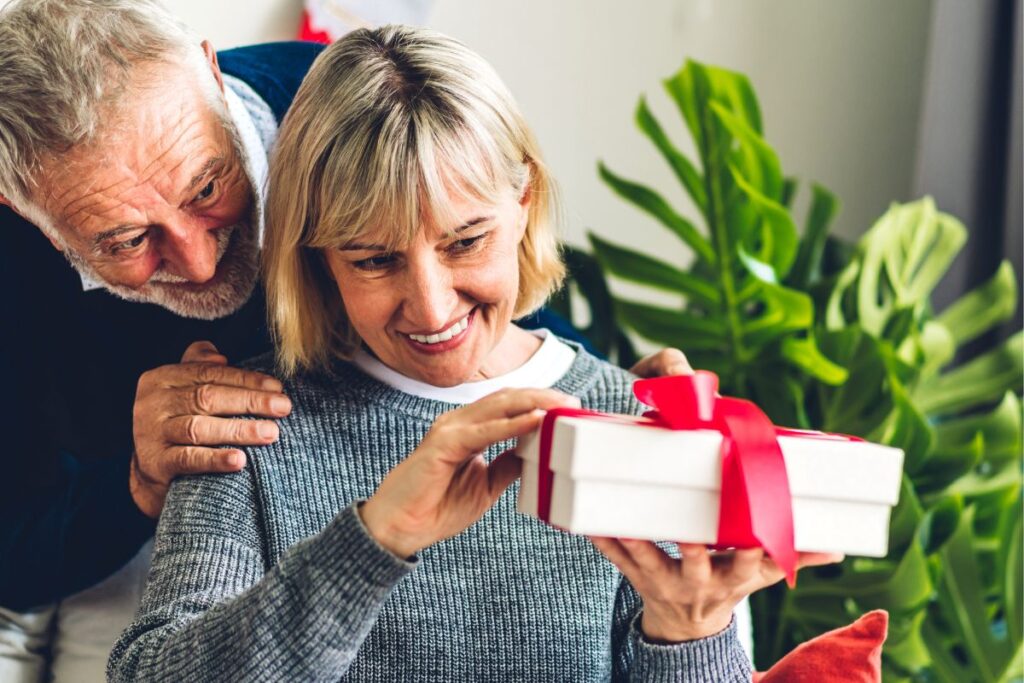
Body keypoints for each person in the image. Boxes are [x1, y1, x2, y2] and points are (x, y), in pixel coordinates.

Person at [108, 25, 838, 682]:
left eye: (465, 242)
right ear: (318, 257)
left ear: (525, 197)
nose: (430, 307)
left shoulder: (630, 424)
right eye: (372, 260)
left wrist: (690, 633)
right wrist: (373, 538)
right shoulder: (244, 426)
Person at [0, 2, 686, 679]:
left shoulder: (348, 102)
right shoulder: (20, 274)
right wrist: (139, 479)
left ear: (210, 76)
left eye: (207, 186)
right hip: (133, 546)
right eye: (125, 241)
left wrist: (608, 391)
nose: (200, 263)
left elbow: (483, 282)